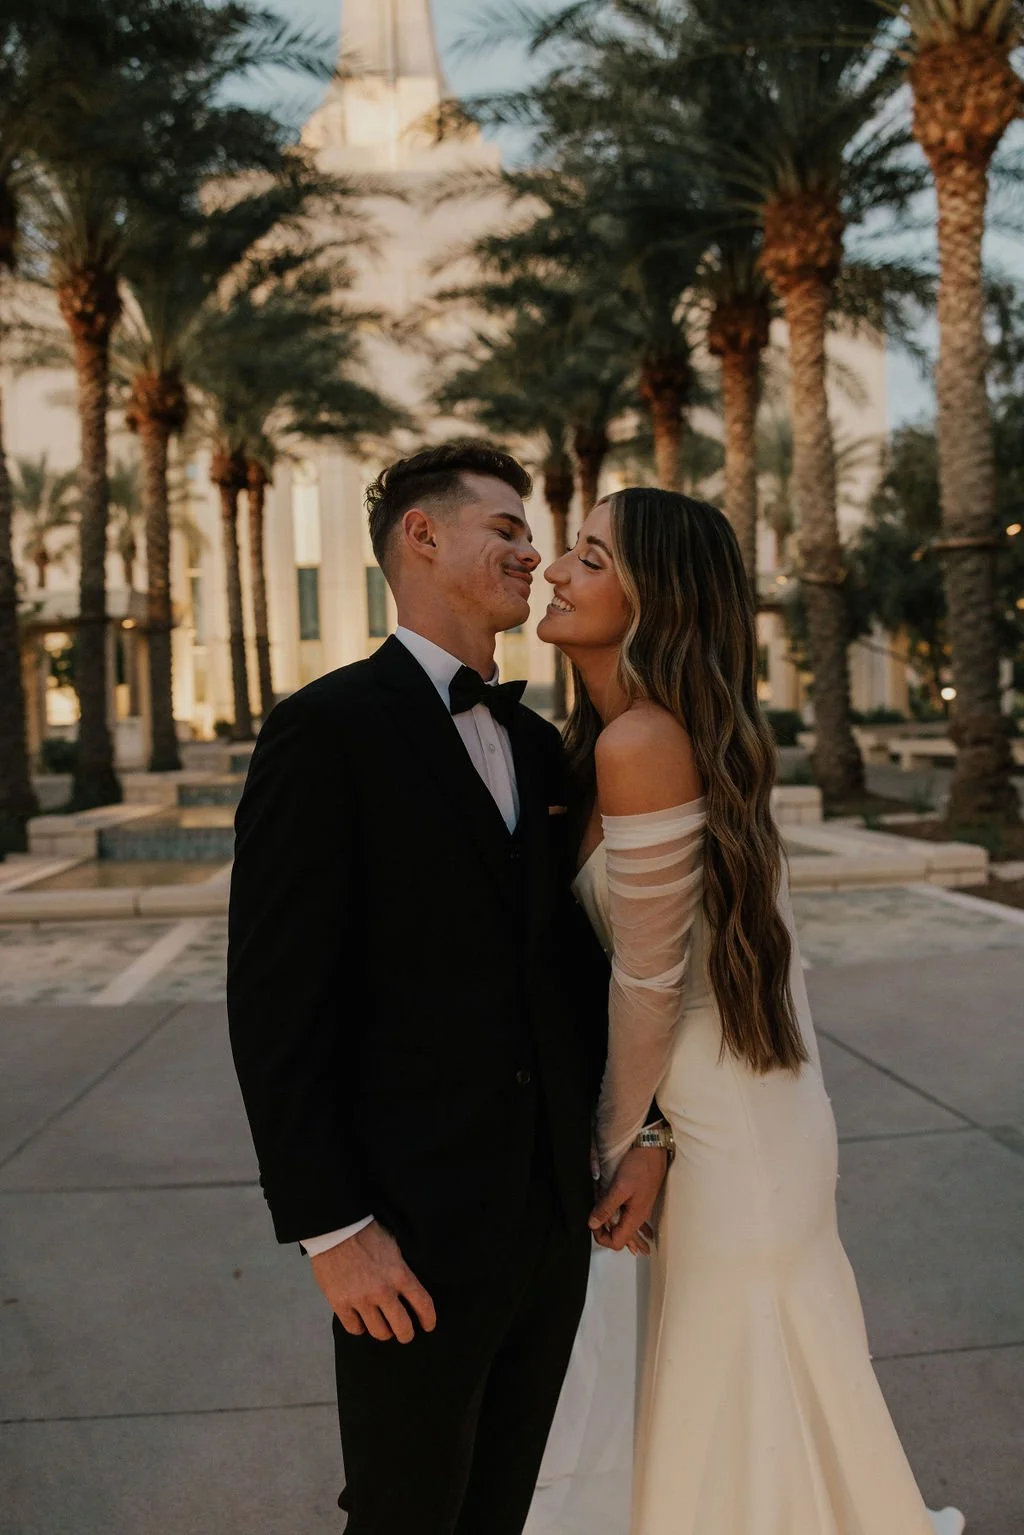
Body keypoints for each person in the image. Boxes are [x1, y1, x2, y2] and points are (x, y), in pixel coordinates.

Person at [226, 442, 668, 1535]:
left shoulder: (539, 740)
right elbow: (277, 1000)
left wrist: (638, 1133)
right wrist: (331, 1227)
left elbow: (583, 969)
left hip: (548, 1219)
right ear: (422, 536)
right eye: (508, 529)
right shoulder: (321, 730)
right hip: (405, 1231)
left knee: (498, 1507)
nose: (534, 553)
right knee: (402, 1509)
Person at [534, 485, 965, 1535]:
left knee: (735, 1374)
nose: (553, 569)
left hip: (730, 1127)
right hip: (709, 1102)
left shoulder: (641, 742)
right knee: (728, 1375)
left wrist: (615, 1137)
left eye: (587, 559)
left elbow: (647, 980)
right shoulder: (606, 736)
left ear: (651, 600)